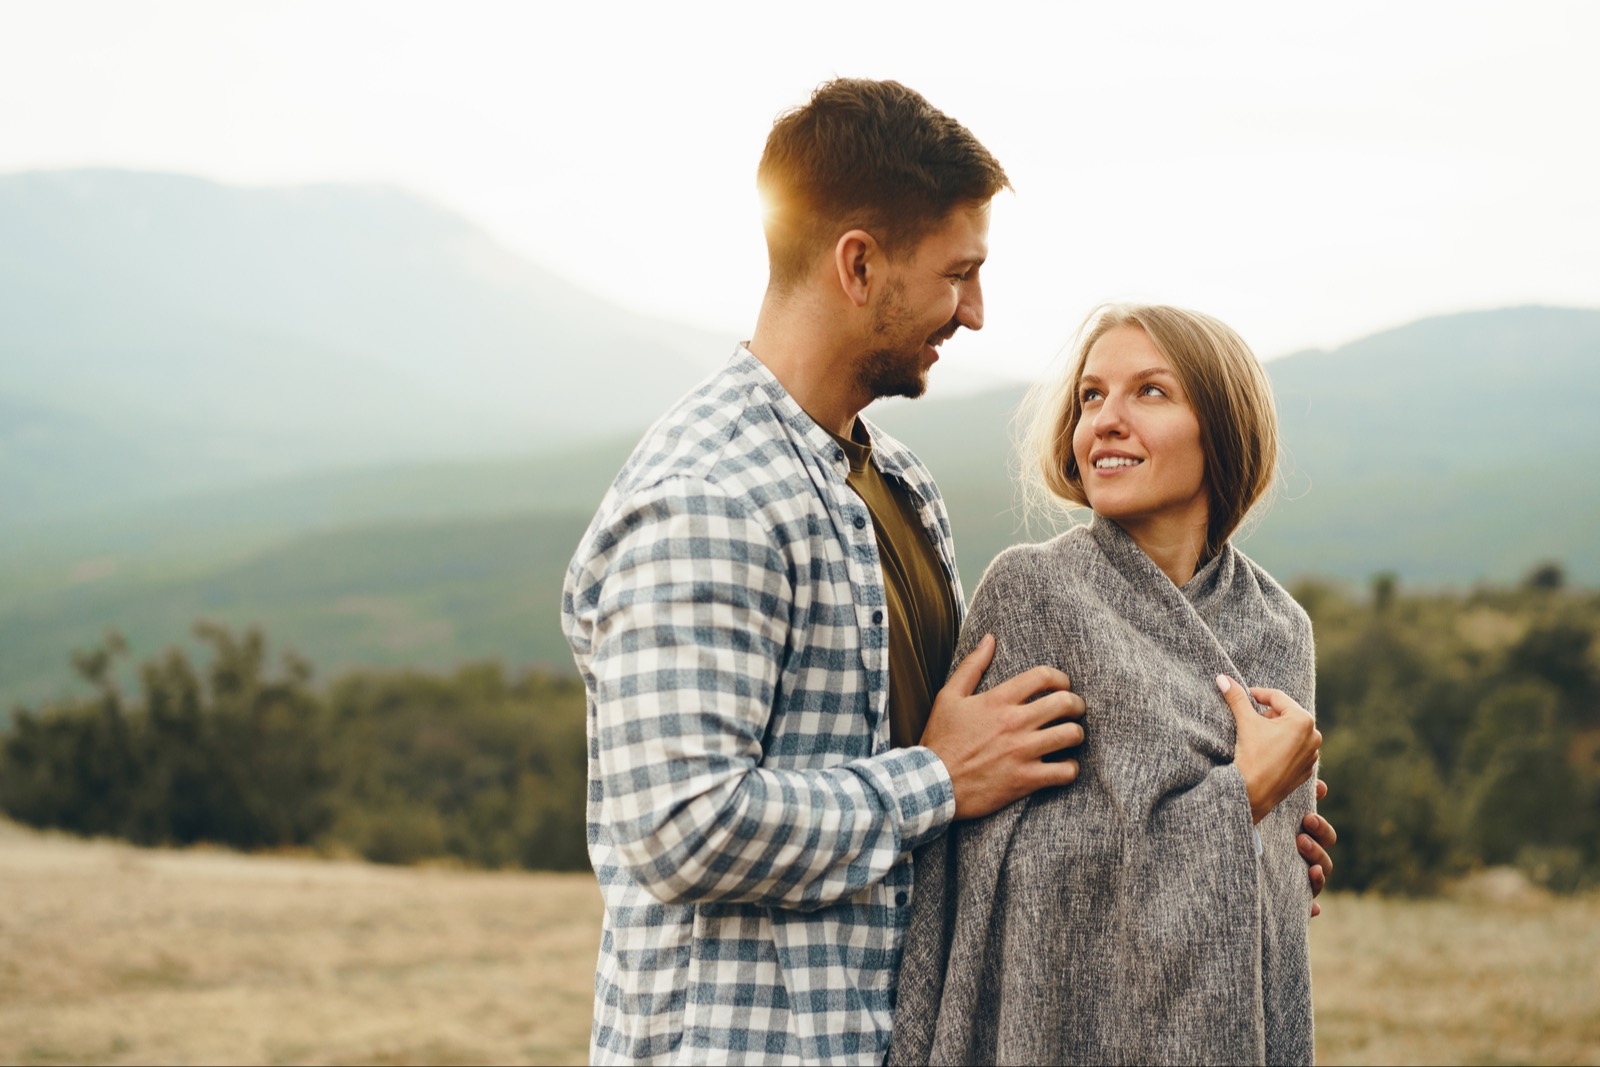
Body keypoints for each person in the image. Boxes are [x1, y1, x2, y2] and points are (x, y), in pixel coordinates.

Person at [563, 80, 1335, 1065]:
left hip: (893, 1033)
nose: (974, 311)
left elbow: (1021, 802)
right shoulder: (709, 493)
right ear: (859, 263)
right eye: (958, 272)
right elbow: (677, 826)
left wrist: (1247, 842)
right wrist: (933, 778)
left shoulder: (899, 487)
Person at [888, 305, 1325, 1066]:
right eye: (1092, 396)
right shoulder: (1034, 592)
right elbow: (994, 881)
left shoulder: (1279, 629)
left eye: (1150, 392)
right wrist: (1238, 801)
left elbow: (1270, 909)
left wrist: (1280, 856)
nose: (1106, 420)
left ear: (1221, 426)